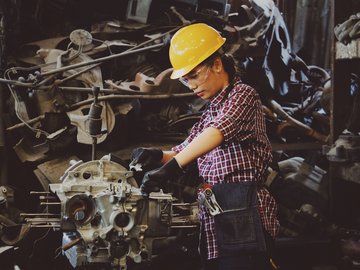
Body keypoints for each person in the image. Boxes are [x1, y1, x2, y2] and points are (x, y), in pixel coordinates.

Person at [130, 23, 279, 270]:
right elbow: (184, 150)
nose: (191, 86)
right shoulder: (211, 111)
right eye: (186, 80)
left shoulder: (243, 95)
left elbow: (218, 132)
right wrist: (156, 156)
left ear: (217, 64)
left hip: (244, 212)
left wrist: (173, 168)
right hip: (216, 212)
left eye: (195, 75)